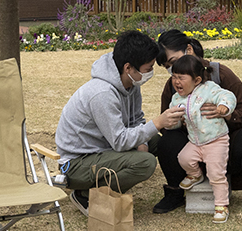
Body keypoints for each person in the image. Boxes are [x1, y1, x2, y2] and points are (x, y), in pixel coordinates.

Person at [152, 30, 242, 214]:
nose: (172, 73)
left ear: (189, 50)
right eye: (168, 67)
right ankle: (174, 193)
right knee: (166, 141)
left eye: (172, 63)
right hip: (192, 155)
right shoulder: (173, 86)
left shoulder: (221, 75)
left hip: (224, 151)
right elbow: (167, 127)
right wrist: (176, 121)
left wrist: (226, 114)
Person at [54, 32, 164, 209]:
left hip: (105, 148)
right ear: (128, 68)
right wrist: (158, 123)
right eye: (148, 68)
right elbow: (120, 141)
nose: (151, 72)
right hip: (76, 164)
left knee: (158, 141)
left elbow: (136, 119)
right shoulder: (102, 93)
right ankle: (85, 195)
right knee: (146, 162)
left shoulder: (131, 84)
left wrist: (143, 141)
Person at [164, 54, 236, 222]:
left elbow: (228, 96)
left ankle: (221, 205)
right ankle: (195, 174)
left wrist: (224, 107)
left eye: (181, 78)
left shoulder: (208, 89)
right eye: (174, 77)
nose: (176, 82)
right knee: (183, 158)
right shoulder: (176, 98)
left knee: (216, 173)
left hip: (216, 140)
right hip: (195, 141)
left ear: (196, 80)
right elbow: (173, 122)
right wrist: (172, 123)